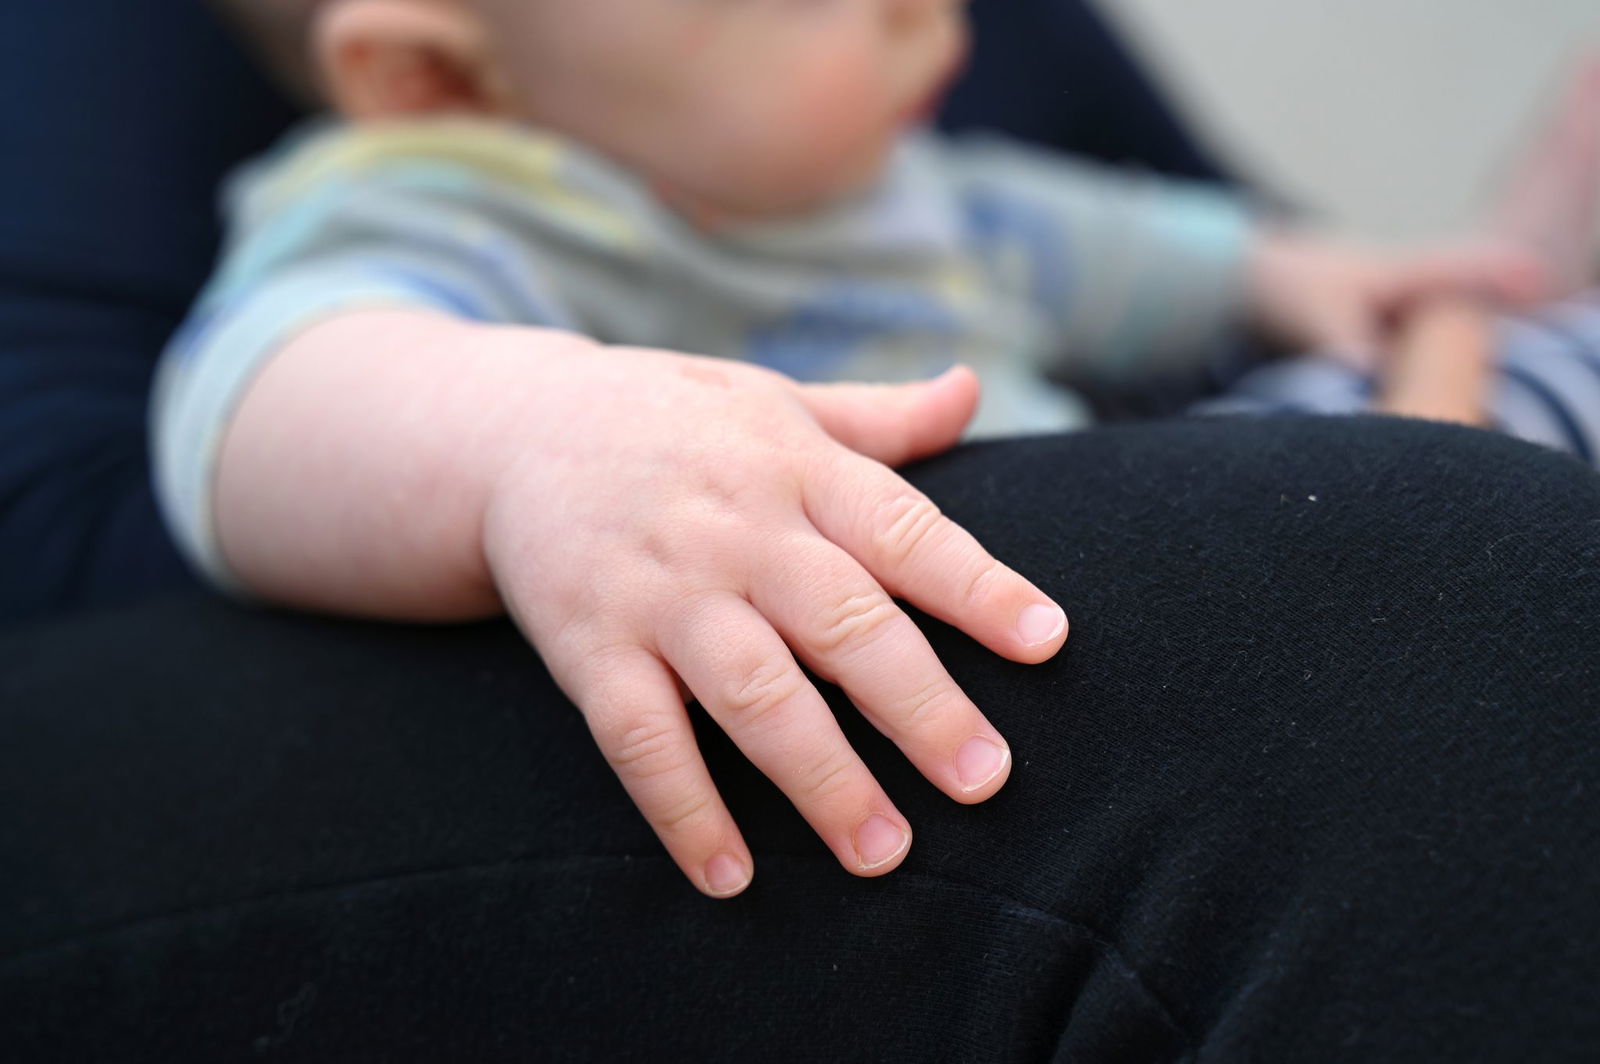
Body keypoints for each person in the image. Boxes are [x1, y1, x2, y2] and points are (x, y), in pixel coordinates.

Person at [152, 0, 1594, 899]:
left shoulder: (867, 178)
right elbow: (253, 400)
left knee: (1422, 428)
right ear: (441, 79)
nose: (926, 13)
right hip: (1050, 696)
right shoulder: (463, 206)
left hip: (1147, 538)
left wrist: (1285, 270)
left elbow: (1087, 243)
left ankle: (1495, 322)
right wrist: (536, 434)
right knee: (1450, 485)